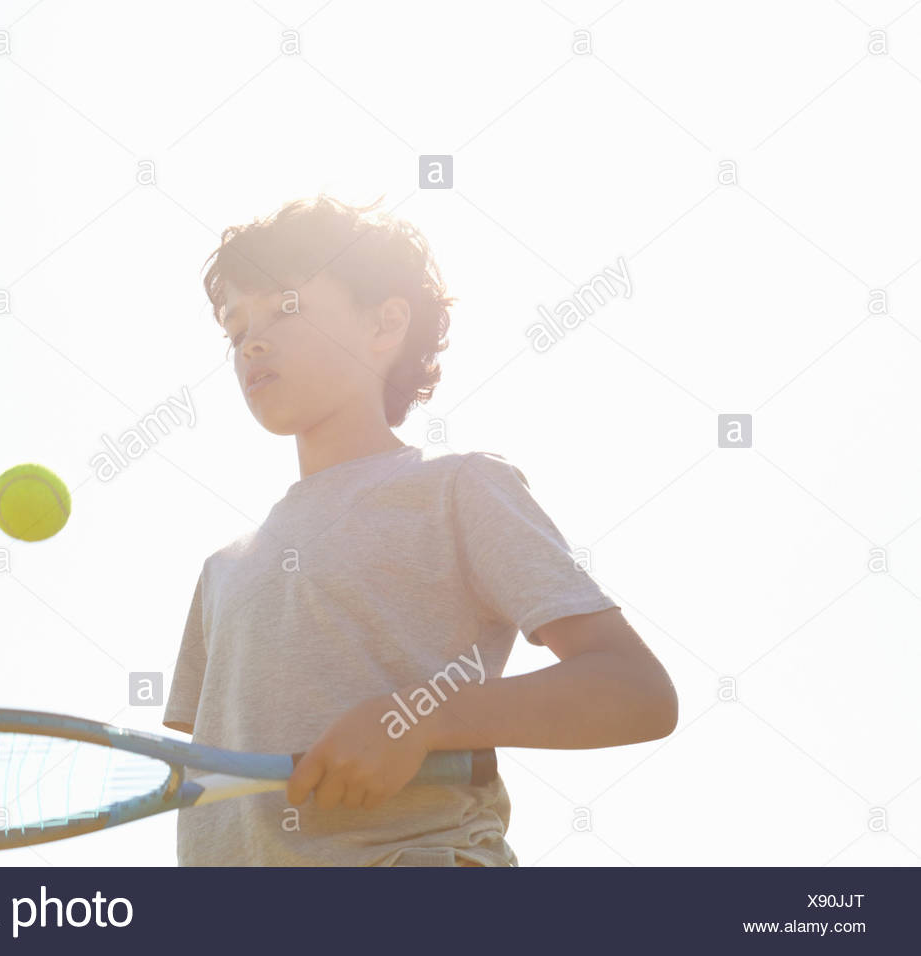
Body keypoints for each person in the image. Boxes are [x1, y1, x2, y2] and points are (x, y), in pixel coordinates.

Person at [163, 195, 677, 866]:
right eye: (237, 330)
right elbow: (205, 776)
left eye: (285, 306)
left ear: (385, 324)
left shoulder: (459, 487)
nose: (252, 341)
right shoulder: (223, 569)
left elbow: (636, 691)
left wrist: (422, 720)